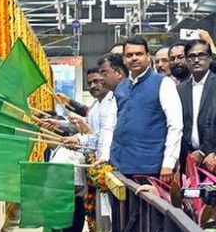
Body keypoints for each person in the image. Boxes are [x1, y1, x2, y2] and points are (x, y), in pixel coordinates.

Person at [110, 36, 183, 184]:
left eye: (139, 54)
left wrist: (168, 163)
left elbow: (175, 125)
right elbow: (111, 125)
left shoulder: (163, 83)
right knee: (122, 207)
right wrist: (106, 156)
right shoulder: (121, 87)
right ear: (124, 59)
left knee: (149, 206)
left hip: (151, 167)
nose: (134, 58)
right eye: (129, 55)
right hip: (119, 165)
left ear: (148, 57)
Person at [177, 39, 216, 172]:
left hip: (212, 159)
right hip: (188, 161)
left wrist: (205, 151)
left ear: (210, 58)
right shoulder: (180, 90)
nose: (196, 60)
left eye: (201, 55)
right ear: (187, 60)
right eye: (192, 56)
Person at [64, 68, 117, 163]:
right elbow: (89, 131)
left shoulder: (115, 102)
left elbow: (104, 134)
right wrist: (58, 124)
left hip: (112, 158)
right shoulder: (94, 106)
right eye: (89, 83)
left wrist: (79, 140)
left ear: (106, 80)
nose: (92, 86)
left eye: (96, 81)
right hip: (97, 158)